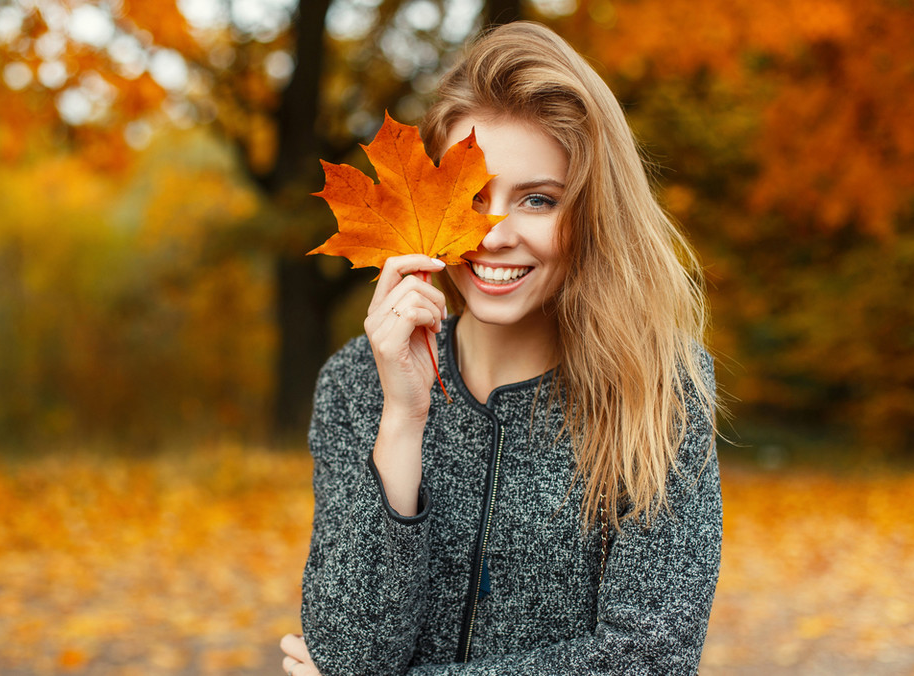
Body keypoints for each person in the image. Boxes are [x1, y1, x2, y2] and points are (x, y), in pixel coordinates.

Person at [280, 20, 721, 676]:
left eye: (538, 200)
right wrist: (402, 421)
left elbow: (647, 659)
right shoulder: (356, 384)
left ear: (590, 213)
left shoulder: (658, 387)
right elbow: (349, 654)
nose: (495, 235)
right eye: (473, 199)